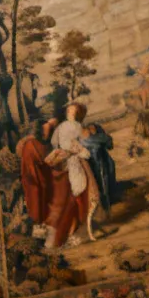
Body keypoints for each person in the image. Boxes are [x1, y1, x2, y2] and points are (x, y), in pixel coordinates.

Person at [45, 104, 98, 247]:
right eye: (69, 110)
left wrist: (76, 149)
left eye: (74, 111)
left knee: (81, 187)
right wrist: (62, 151)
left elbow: (84, 144)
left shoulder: (79, 127)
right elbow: (54, 142)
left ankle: (77, 222)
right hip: (63, 159)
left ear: (77, 114)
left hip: (75, 159)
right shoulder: (61, 127)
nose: (71, 113)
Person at [14, 119, 52, 236]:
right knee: (36, 200)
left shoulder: (38, 143)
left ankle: (44, 225)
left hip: (38, 176)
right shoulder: (32, 144)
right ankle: (38, 227)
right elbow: (41, 159)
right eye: (45, 132)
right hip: (32, 178)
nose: (46, 134)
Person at [81, 122, 120, 208]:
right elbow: (109, 143)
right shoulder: (94, 136)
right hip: (96, 163)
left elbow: (109, 143)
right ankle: (107, 202)